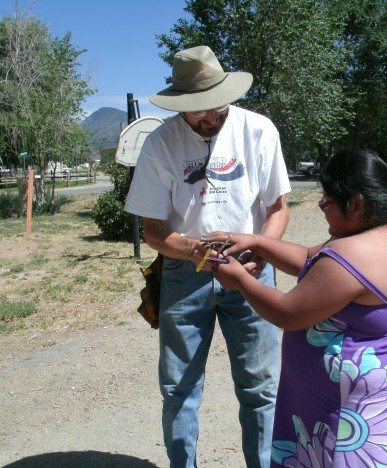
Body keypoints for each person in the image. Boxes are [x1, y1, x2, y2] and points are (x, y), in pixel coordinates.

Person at [124, 45, 291, 468]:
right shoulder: (160, 144)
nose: (208, 116)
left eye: (215, 105)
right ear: (180, 104)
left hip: (250, 269)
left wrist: (262, 252)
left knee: (261, 387)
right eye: (197, 110)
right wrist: (193, 249)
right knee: (179, 388)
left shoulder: (259, 131)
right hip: (185, 274)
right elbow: (154, 230)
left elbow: (277, 208)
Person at [205, 148, 387, 467]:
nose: (321, 207)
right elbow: (308, 258)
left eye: (327, 200)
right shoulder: (381, 231)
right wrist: (257, 241)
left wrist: (240, 282)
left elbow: (289, 313)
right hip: (347, 403)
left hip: (343, 415)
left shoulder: (355, 254)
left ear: (356, 203)